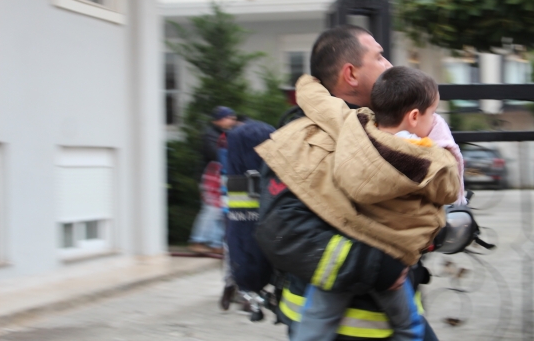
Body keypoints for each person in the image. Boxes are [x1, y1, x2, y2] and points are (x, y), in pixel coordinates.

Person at [254, 25, 446, 341]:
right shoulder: (301, 142)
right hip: (335, 330)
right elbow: (283, 233)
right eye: (380, 57)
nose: (390, 65)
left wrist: (431, 230)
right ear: (351, 75)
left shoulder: (391, 135)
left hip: (396, 323)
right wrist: (377, 265)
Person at [220, 117, 276, 317]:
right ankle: (236, 289)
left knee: (234, 248)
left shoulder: (233, 149)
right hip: (250, 215)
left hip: (237, 215)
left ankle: (237, 289)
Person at [188, 106, 237, 254]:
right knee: (210, 210)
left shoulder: (225, 134)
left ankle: (216, 244)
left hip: (219, 178)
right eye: (229, 117)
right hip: (210, 179)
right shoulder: (210, 135)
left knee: (221, 211)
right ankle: (197, 240)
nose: (232, 121)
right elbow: (216, 155)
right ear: (220, 120)